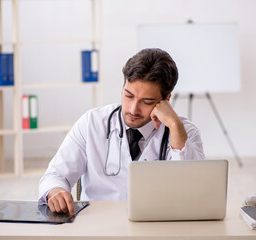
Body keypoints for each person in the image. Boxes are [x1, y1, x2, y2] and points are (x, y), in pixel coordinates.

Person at [38, 48, 205, 215]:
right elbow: (55, 175)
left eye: (146, 102)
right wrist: (56, 191)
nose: (133, 109)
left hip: (158, 226)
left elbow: (195, 190)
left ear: (166, 100)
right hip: (99, 226)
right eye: (128, 95)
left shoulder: (184, 132)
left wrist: (175, 126)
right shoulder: (92, 123)